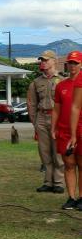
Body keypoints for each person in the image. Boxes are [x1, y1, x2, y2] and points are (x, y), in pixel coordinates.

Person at [28, 50, 64, 194]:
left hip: (58, 118)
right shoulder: (36, 82)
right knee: (44, 152)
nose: (43, 62)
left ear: (54, 61)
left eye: (46, 60)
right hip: (42, 118)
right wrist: (35, 122)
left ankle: (58, 182)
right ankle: (48, 182)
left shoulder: (62, 81)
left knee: (58, 152)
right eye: (41, 60)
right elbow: (31, 104)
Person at [52, 51, 82, 210]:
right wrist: (53, 127)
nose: (72, 65)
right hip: (64, 129)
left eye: (75, 63)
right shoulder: (61, 85)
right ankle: (71, 197)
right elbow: (56, 109)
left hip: (80, 128)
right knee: (69, 164)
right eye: (70, 62)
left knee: (81, 163)